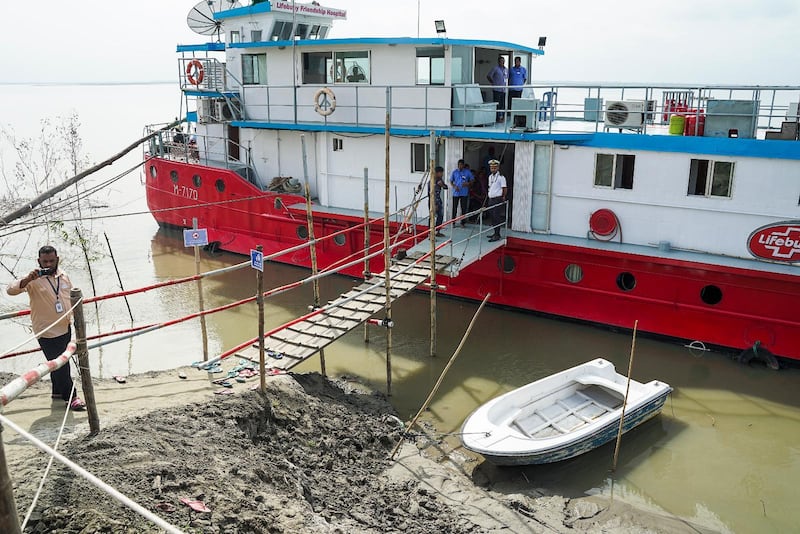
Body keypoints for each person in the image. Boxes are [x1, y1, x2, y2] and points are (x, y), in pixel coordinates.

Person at [6, 246, 86, 410]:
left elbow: (69, 297)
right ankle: (72, 397)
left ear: (57, 259)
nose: (48, 265)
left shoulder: (63, 276)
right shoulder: (33, 279)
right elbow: (11, 290)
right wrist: (27, 279)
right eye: (45, 262)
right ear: (39, 262)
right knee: (62, 364)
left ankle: (57, 392)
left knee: (58, 361)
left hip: (65, 326)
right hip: (46, 331)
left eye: (51, 261)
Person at [486, 160, 507, 242]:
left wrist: (503, 196)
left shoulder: (501, 177)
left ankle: (497, 234)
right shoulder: (490, 177)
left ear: (497, 168)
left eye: (494, 168)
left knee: (496, 217)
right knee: (492, 217)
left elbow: (504, 188)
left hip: (497, 199)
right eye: (491, 168)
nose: (493, 169)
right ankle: (495, 232)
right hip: (491, 199)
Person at [449, 159, 474, 226]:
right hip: (456, 193)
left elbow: (472, 180)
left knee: (463, 208)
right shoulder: (454, 172)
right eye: (459, 165)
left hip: (464, 193)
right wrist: (454, 186)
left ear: (463, 165)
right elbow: (451, 181)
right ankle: (453, 222)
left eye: (461, 165)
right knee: (454, 208)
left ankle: (463, 222)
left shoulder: (467, 172)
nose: (460, 166)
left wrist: (468, 183)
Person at [486, 55, 508, 122]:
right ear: (498, 62)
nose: (502, 62)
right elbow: (489, 76)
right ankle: (497, 118)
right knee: (497, 104)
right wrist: (493, 83)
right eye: (501, 61)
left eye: (503, 61)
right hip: (497, 89)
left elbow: (506, 78)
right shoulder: (495, 68)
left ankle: (503, 117)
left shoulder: (506, 69)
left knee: (503, 104)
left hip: (503, 90)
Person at [432, 166, 447, 237]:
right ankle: (430, 234)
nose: (442, 174)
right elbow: (431, 193)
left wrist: (442, 185)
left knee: (440, 216)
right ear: (438, 173)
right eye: (441, 173)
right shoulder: (432, 181)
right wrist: (434, 204)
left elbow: (446, 187)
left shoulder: (439, 179)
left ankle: (437, 231)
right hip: (433, 201)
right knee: (432, 217)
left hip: (438, 200)